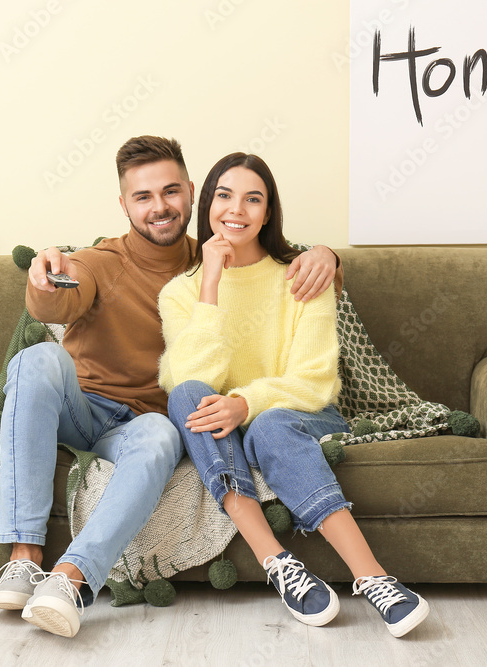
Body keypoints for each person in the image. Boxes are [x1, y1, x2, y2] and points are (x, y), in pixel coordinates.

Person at [0, 136, 343, 638]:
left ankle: (71, 579)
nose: (160, 207)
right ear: (124, 204)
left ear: (192, 192)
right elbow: (57, 302)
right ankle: (24, 557)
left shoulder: (219, 253)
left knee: (160, 435)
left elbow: (278, 268)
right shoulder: (100, 260)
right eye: (143, 196)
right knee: (36, 358)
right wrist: (44, 281)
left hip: (147, 423)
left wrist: (327, 256)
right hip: (82, 408)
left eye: (171, 192)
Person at [158, 152, 429, 638]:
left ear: (267, 213)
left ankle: (374, 578)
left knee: (269, 423)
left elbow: (315, 379)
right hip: (220, 423)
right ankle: (279, 563)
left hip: (303, 414)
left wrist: (245, 403)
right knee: (185, 395)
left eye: (252, 199)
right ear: (207, 204)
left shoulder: (303, 275)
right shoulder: (180, 292)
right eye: (225, 196)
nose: (236, 209)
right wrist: (211, 281)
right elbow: (192, 377)